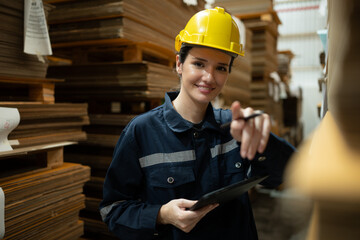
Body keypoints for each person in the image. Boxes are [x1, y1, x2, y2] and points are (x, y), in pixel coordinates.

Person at [100, 7, 295, 240]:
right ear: (179, 64)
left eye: (221, 68)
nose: (209, 77)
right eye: (199, 64)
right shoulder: (142, 132)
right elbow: (113, 211)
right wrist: (161, 214)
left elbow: (287, 175)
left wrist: (265, 141)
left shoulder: (235, 128)